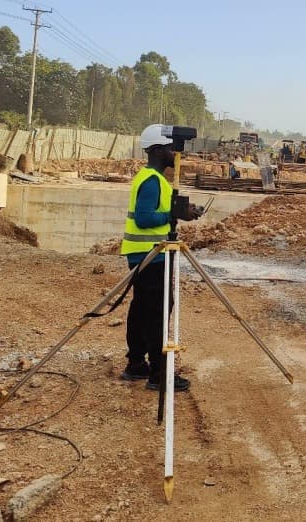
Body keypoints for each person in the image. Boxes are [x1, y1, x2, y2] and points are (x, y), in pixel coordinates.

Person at [119, 124, 202, 392]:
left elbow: (154, 213)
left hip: (143, 253)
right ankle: (158, 372)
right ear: (157, 150)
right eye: (170, 149)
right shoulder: (153, 180)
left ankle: (136, 364)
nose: (174, 155)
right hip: (150, 255)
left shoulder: (150, 177)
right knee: (157, 311)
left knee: (142, 308)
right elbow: (144, 219)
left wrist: (181, 211)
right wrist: (171, 216)